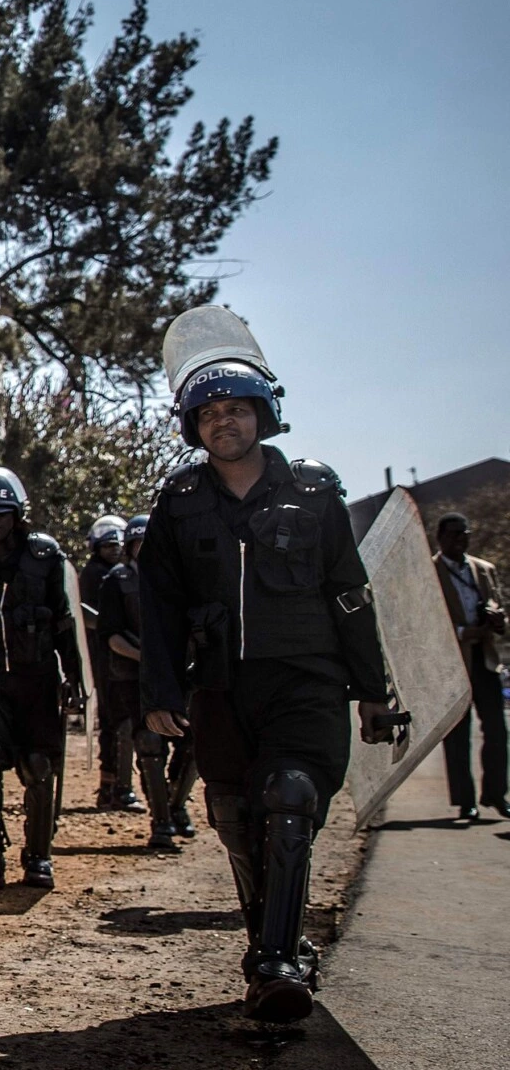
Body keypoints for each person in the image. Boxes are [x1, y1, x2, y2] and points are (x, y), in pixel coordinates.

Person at [139, 309, 403, 1023]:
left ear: (263, 414)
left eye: (235, 408)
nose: (223, 422)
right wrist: (160, 690)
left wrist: (375, 692)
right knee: (237, 817)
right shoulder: (180, 502)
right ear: (192, 425)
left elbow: (350, 596)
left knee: (289, 796)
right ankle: (272, 947)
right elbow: (157, 606)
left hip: (307, 683)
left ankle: (277, 962)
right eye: (208, 412)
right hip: (221, 687)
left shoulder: (314, 494)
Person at [0, 469, 85, 890]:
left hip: (38, 681)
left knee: (39, 766)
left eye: (1, 514)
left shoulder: (45, 556)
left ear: (18, 514)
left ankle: (38, 858)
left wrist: (75, 676)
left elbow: (64, 621)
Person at [100, 515, 193, 852]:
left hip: (182, 677)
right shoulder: (118, 580)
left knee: (193, 745)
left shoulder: (183, 579)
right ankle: (162, 822)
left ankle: (176, 803)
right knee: (150, 745)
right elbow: (111, 635)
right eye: (140, 544)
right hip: (134, 680)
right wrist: (147, 659)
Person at [433, 512, 508, 823]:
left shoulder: (484, 569)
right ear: (441, 538)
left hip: (485, 659)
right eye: (454, 534)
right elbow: (424, 620)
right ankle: (466, 802)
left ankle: (495, 794)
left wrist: (496, 619)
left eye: (465, 534)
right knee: (457, 735)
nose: (460, 539)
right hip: (452, 662)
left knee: (496, 731)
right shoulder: (429, 571)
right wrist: (463, 632)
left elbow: (500, 606)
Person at [80, 515, 140, 811]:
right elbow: (91, 617)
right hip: (104, 656)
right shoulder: (96, 574)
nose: (113, 548)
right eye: (107, 545)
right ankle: (111, 786)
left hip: (122, 655)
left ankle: (118, 785)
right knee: (112, 720)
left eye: (117, 543)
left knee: (122, 722)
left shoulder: (130, 576)